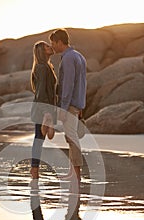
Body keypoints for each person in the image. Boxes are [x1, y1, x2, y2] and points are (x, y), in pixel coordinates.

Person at [49, 29, 87, 185]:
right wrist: (81, 104)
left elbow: (69, 85)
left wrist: (63, 108)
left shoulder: (68, 58)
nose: (52, 47)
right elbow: (83, 83)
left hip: (70, 104)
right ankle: (73, 172)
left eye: (53, 43)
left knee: (71, 137)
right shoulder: (79, 56)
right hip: (76, 103)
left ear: (59, 42)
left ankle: (76, 175)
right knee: (71, 137)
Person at [30, 41, 57, 179]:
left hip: (44, 107)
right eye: (47, 46)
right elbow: (41, 92)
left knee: (40, 139)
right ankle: (34, 169)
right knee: (39, 139)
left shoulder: (47, 66)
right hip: (42, 108)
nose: (50, 47)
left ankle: (34, 168)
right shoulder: (41, 67)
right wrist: (47, 112)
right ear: (41, 51)